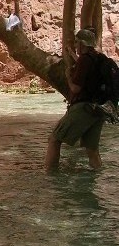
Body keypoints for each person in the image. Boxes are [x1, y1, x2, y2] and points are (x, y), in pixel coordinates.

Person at [44, 28, 105, 170]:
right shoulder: (98, 58)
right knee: (92, 151)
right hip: (99, 110)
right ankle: (98, 173)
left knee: (54, 139)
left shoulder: (84, 60)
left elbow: (75, 89)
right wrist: (71, 53)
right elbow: (85, 67)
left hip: (84, 108)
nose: (76, 45)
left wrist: (68, 77)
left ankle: (49, 177)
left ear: (82, 44)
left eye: (77, 42)